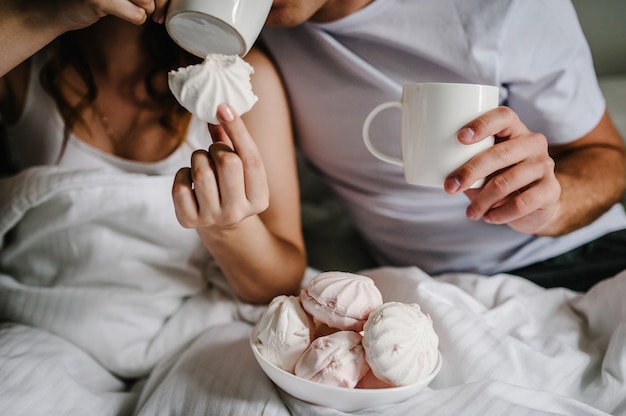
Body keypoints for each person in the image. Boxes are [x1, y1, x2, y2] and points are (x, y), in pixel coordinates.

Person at [0, 1, 305, 414]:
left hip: (192, 330)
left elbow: (281, 281)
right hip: (49, 323)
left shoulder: (241, 83)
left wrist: (229, 230)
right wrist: (43, 14)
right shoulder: (23, 61)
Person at [260, 0, 626, 292]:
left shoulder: (508, 9)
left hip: (582, 255)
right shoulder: (250, 31)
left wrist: (552, 207)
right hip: (427, 287)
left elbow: (609, 158)